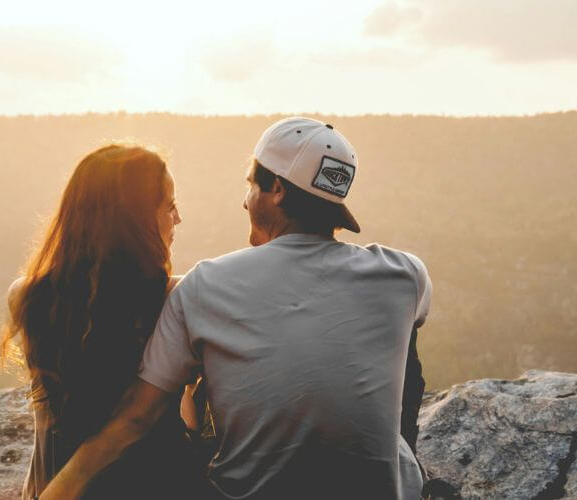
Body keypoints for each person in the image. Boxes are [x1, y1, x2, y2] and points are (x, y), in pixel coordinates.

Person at [40, 117, 432, 499]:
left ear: (276, 190)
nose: (245, 202)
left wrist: (64, 486)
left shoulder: (206, 285)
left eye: (251, 185)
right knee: (403, 339)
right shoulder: (405, 275)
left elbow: (137, 416)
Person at [0, 144, 208, 499]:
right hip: (159, 485)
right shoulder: (177, 298)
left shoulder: (26, 297)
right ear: (135, 220)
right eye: (170, 206)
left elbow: (44, 424)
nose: (178, 219)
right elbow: (179, 417)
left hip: (55, 486)